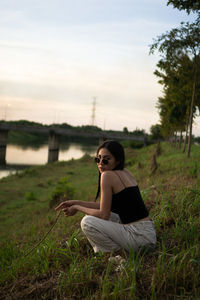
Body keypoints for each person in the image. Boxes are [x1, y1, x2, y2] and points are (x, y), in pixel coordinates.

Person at [55, 140, 156, 253]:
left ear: (117, 161)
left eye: (106, 160)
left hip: (138, 238)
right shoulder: (126, 172)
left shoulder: (107, 176)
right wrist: (76, 202)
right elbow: (106, 206)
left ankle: (116, 254)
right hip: (148, 235)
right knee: (106, 216)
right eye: (98, 159)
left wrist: (77, 208)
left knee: (87, 222)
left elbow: (104, 214)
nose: (100, 163)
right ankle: (113, 251)